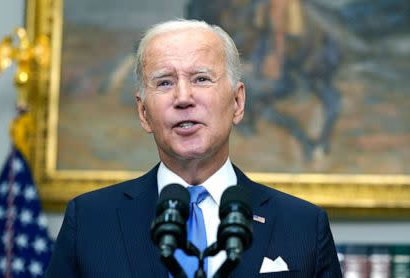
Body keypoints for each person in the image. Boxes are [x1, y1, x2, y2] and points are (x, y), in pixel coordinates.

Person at [45, 19, 342, 277]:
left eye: (201, 79)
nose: (183, 97)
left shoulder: (302, 225)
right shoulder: (90, 221)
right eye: (164, 83)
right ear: (144, 113)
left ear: (238, 103)